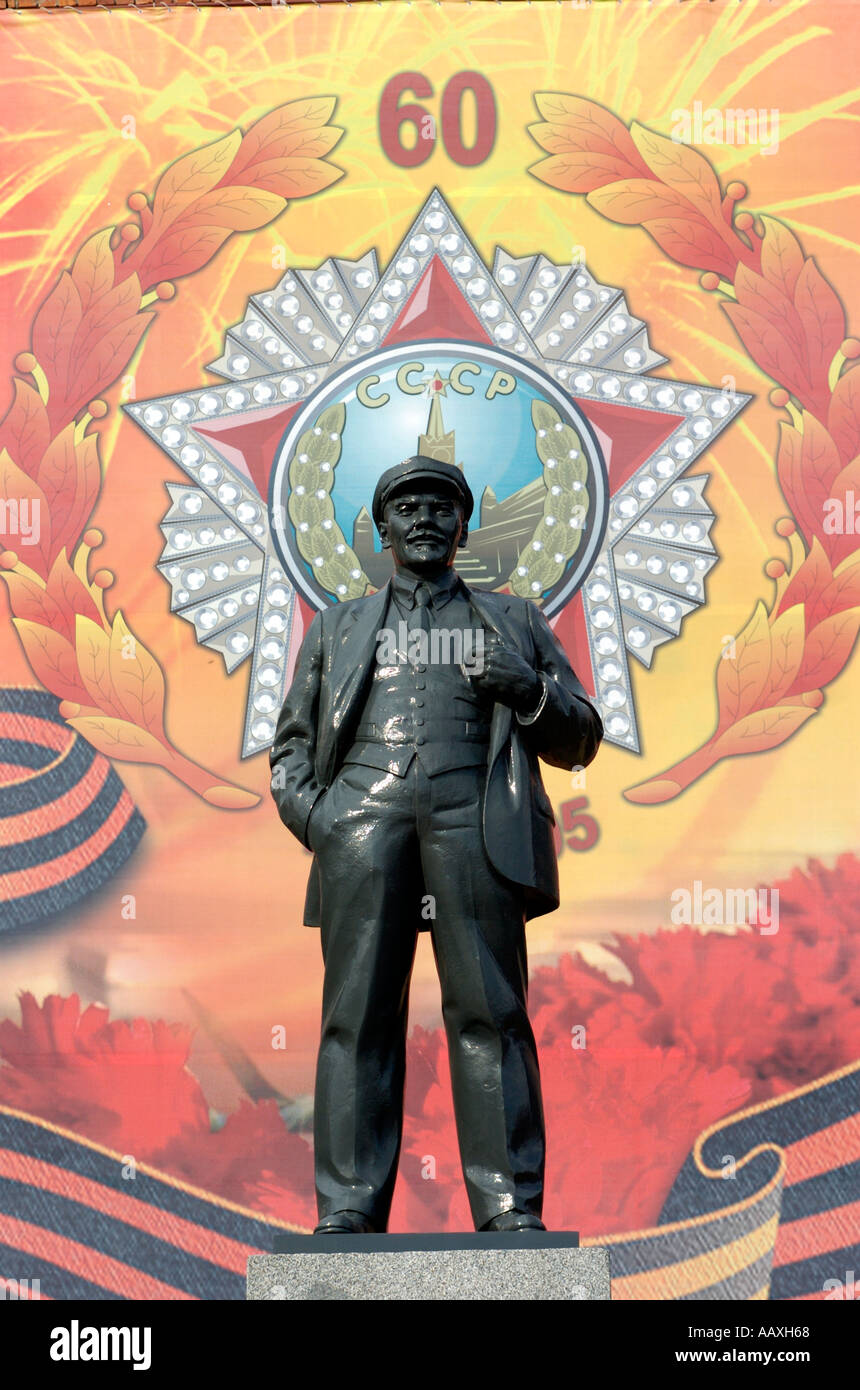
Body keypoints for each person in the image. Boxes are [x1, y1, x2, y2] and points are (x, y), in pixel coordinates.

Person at [270, 455, 603, 1234]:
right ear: (382, 528)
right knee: (356, 1018)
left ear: (465, 525)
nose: (424, 518)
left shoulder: (512, 622)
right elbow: (289, 746)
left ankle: (511, 1205)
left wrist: (528, 690)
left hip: (474, 817)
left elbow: (581, 737)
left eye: (441, 507)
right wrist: (323, 820)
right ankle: (348, 1205)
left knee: (491, 1011)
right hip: (362, 818)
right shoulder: (338, 626)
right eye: (407, 507)